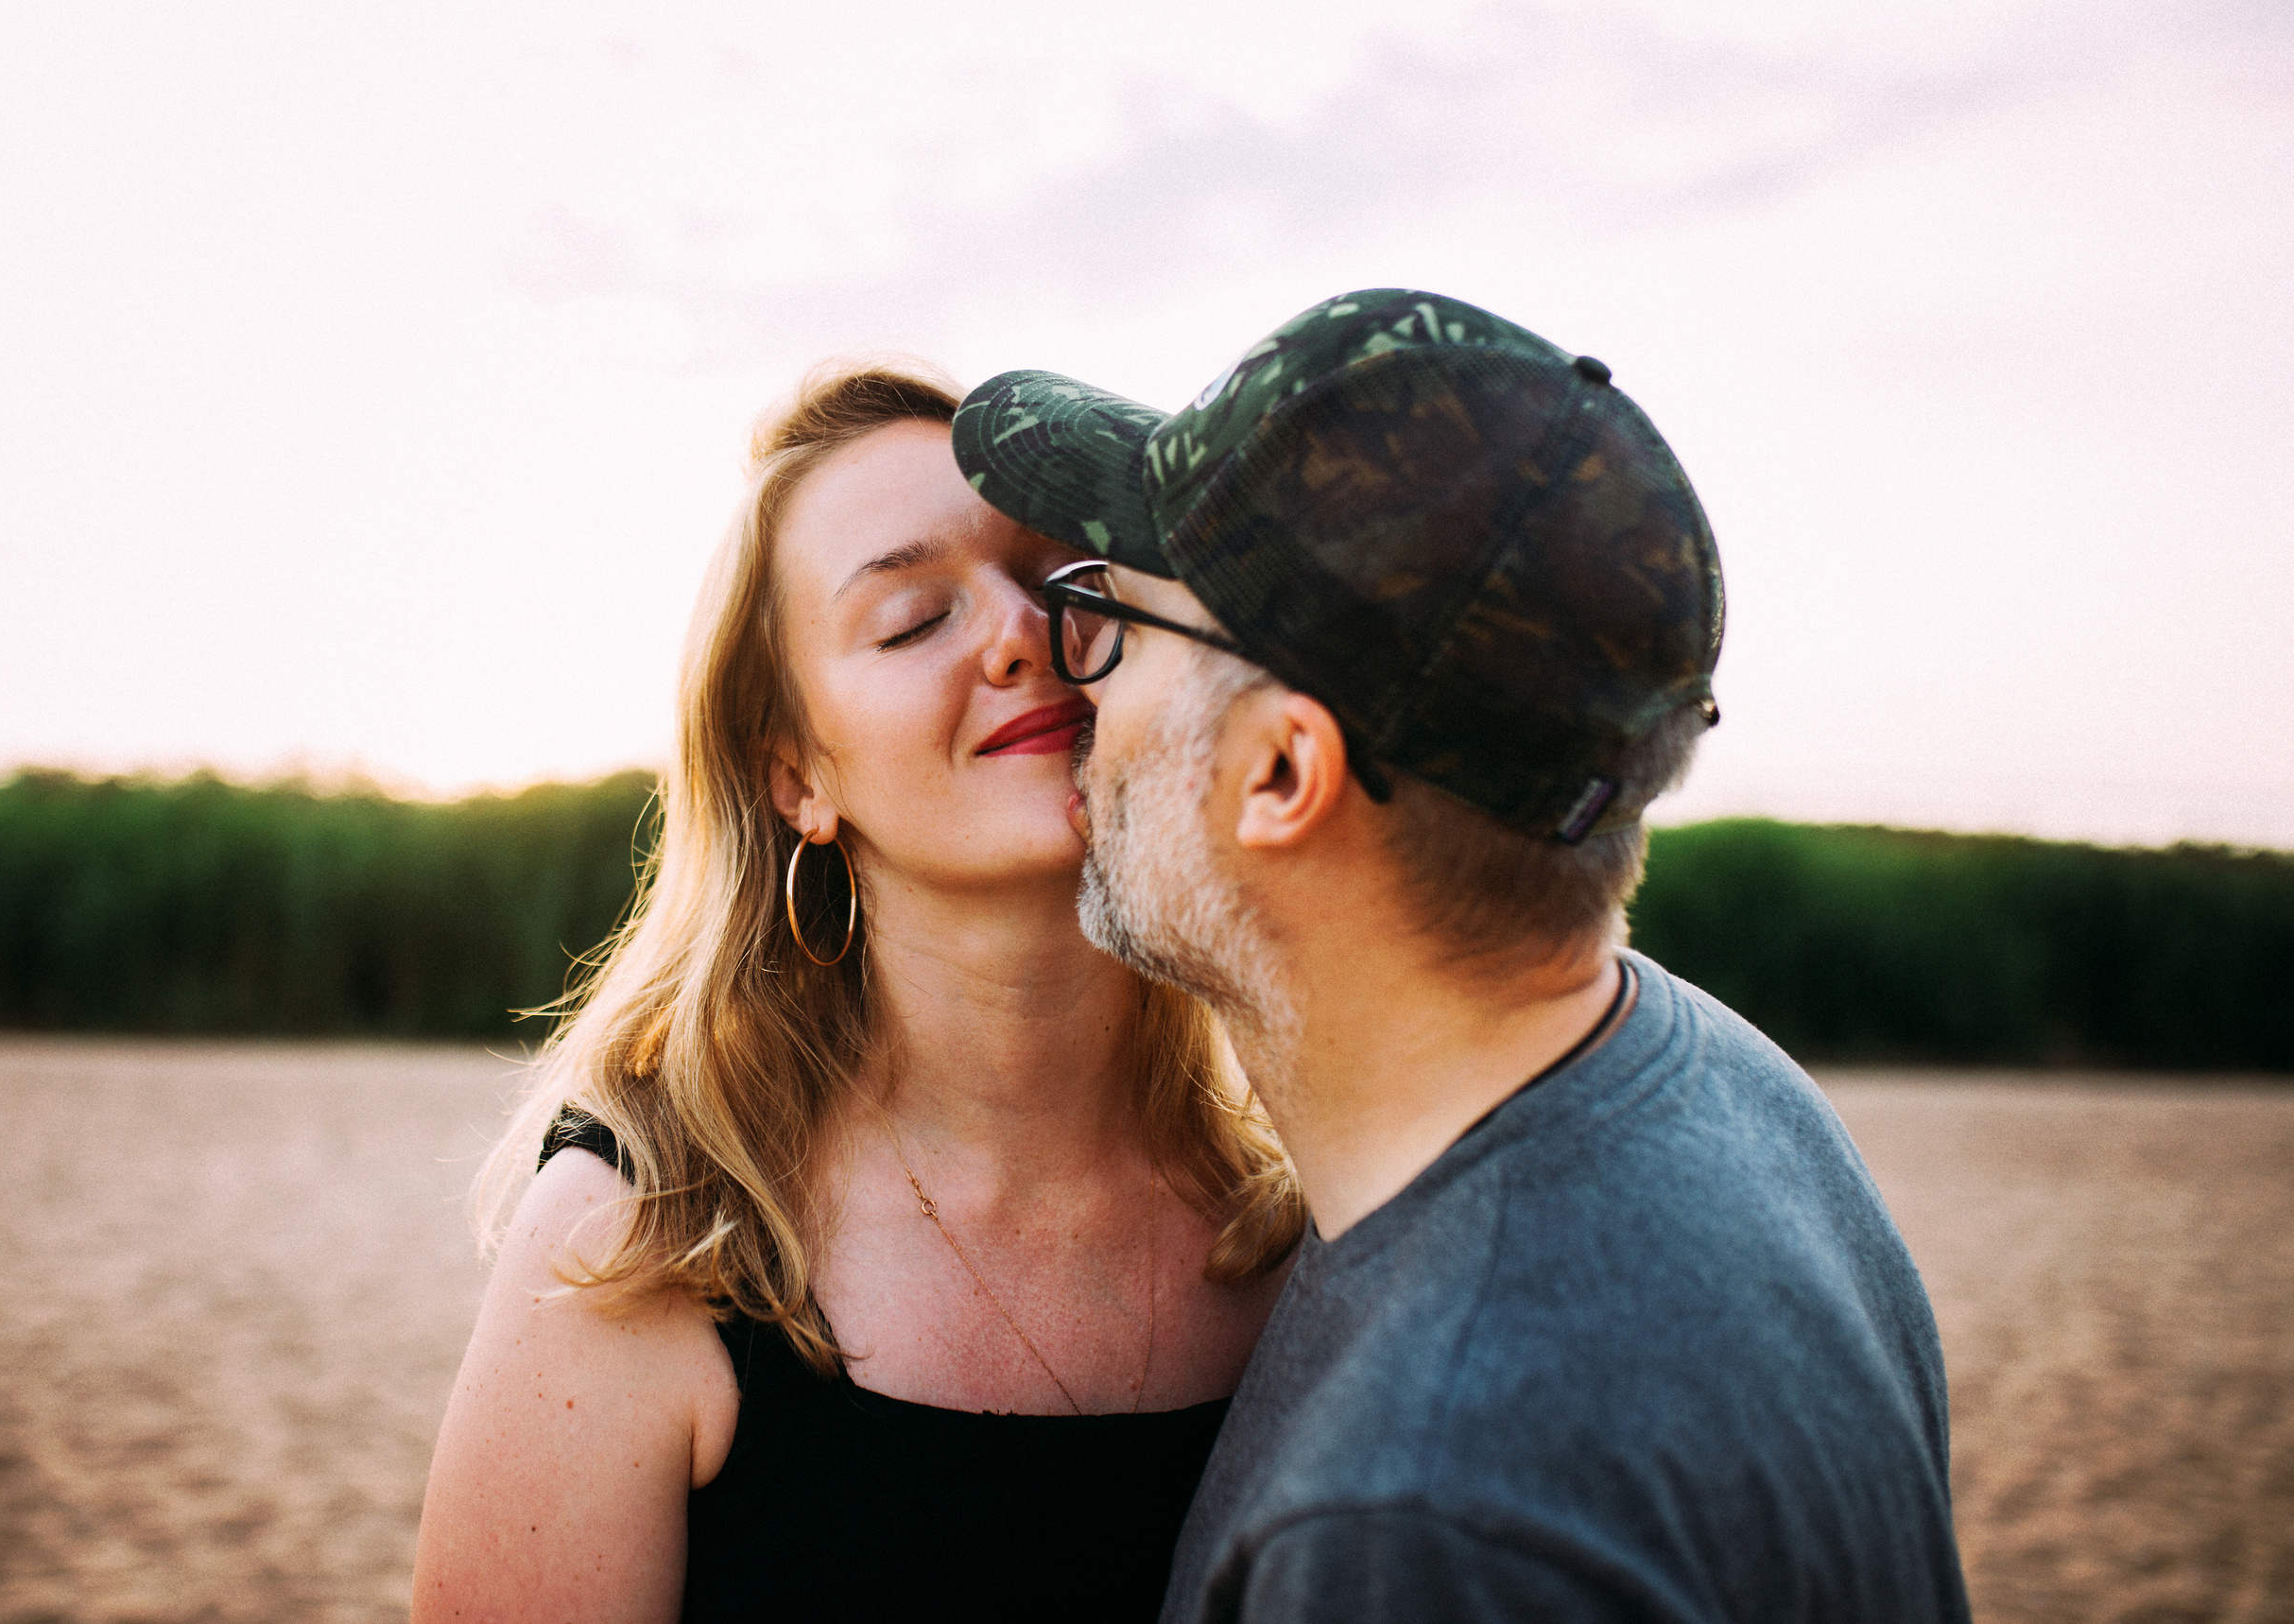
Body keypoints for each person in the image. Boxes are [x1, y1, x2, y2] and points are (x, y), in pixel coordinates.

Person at [949, 288, 1974, 1623]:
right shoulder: (1725, 1083)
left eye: (1115, 623)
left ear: (1280, 773)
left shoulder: (1421, 1518)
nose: (1070, 686)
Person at [411, 361, 1302, 1624]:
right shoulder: (644, 1243)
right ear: (798, 779)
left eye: (1063, 577)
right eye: (912, 619)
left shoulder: (1307, 1215)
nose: (1020, 632)